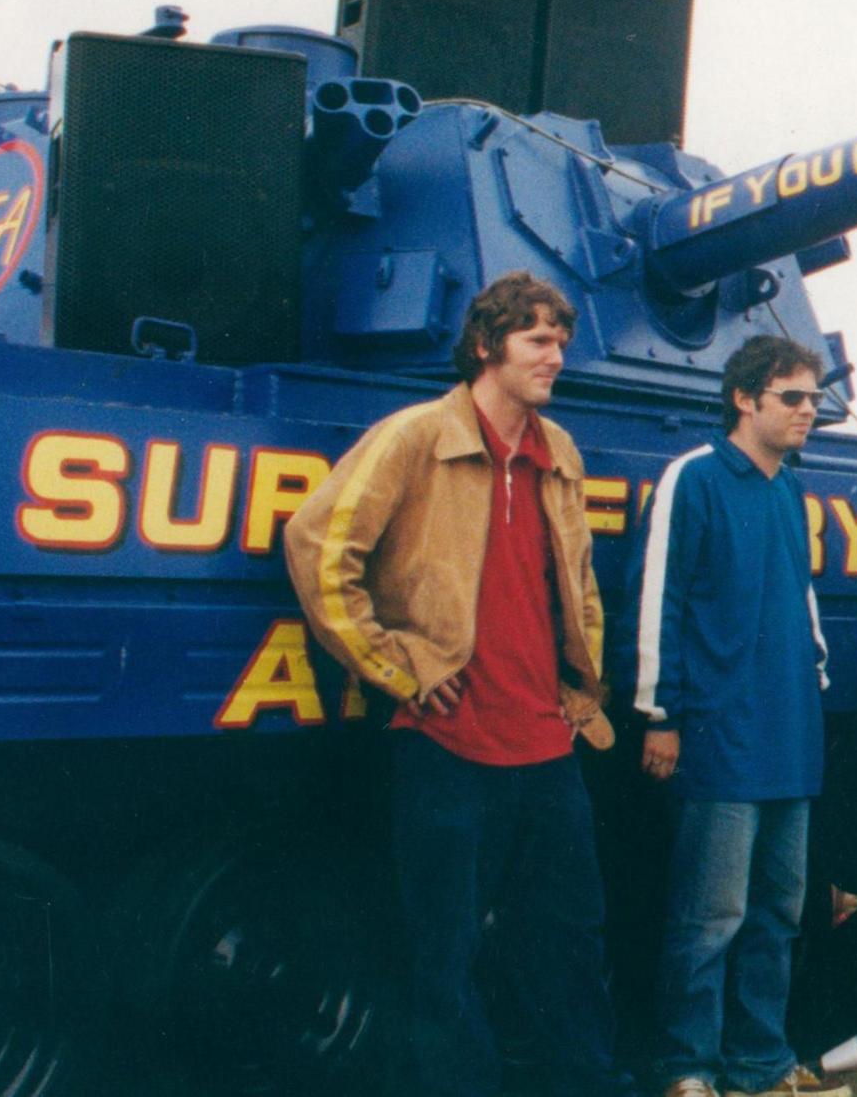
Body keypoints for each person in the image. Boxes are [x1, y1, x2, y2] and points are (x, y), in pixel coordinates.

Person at [281, 271, 626, 1097]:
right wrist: (392, 666)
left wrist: (581, 689)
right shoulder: (415, 435)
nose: (556, 355)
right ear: (484, 345)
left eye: (561, 340)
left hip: (546, 744)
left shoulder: (558, 448)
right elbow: (317, 543)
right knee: (444, 954)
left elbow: (577, 583)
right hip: (449, 745)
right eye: (537, 339)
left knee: (570, 942)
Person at [630, 335, 844, 1097]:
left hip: (790, 734)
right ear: (744, 399)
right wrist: (661, 711)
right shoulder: (693, 476)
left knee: (778, 912)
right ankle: (687, 1065)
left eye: (815, 397)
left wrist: (814, 675)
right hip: (721, 736)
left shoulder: (790, 487)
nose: (809, 410)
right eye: (793, 396)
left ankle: (762, 1061)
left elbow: (801, 596)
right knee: (710, 915)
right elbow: (659, 598)